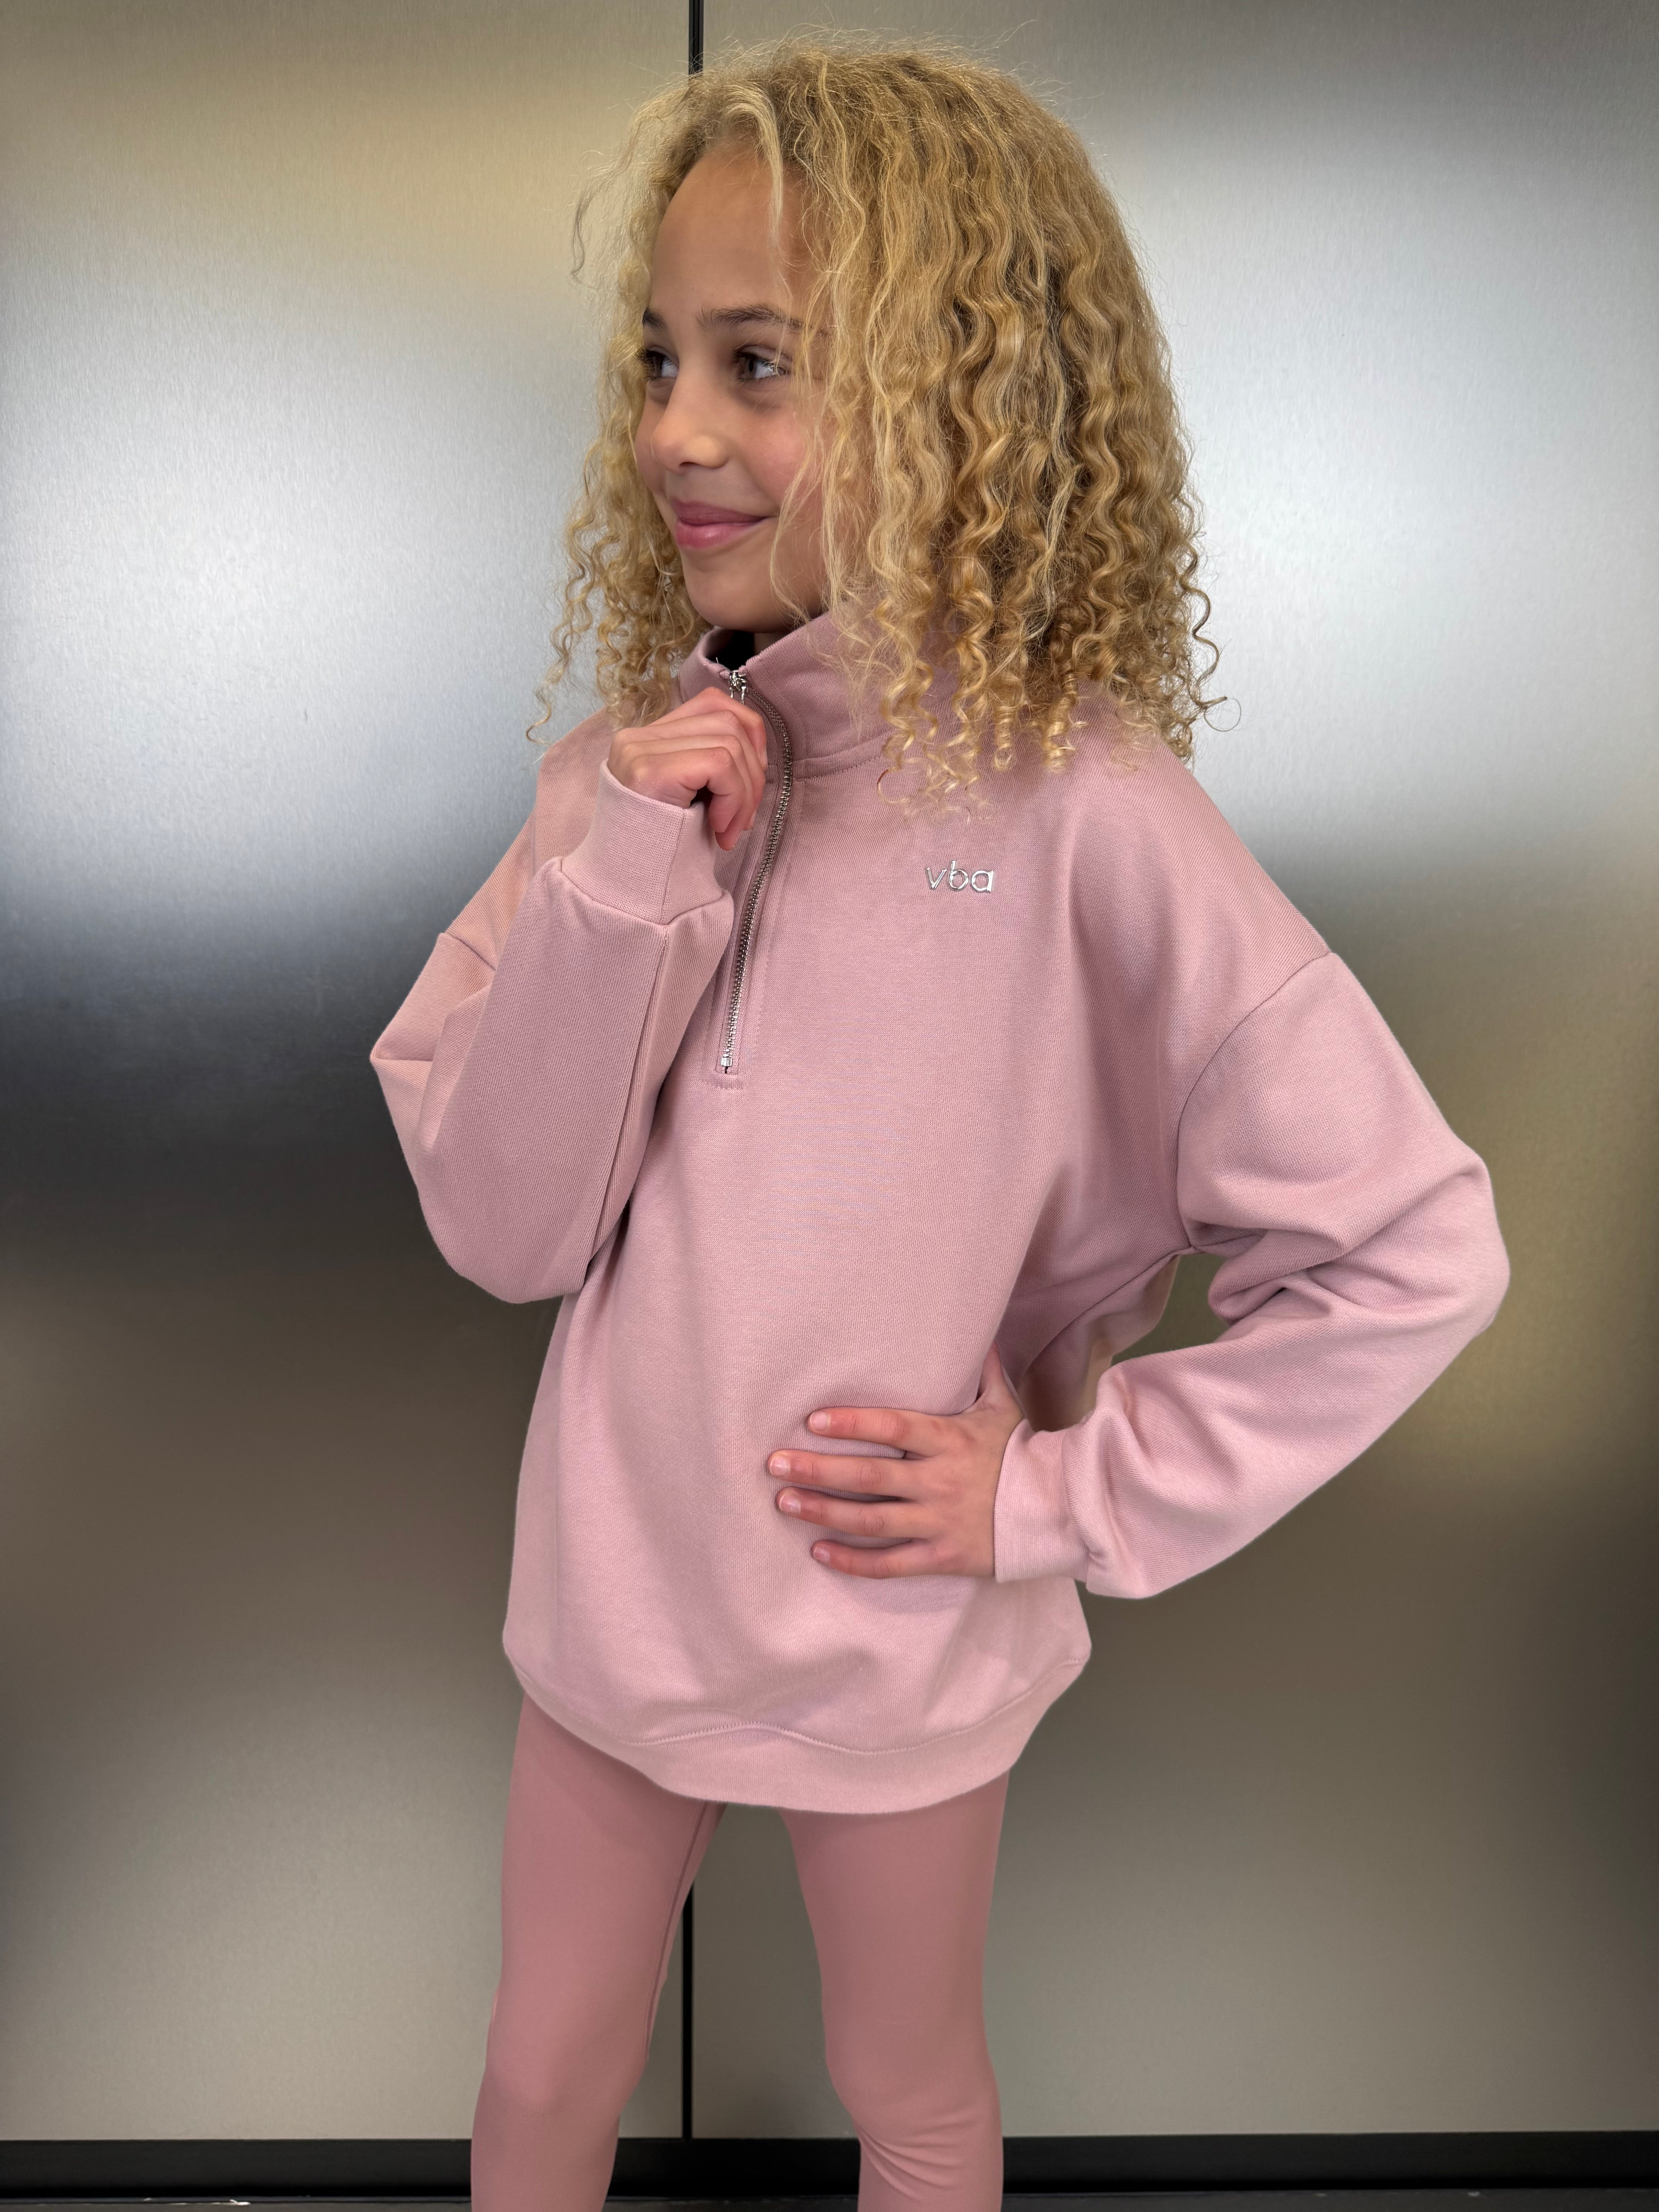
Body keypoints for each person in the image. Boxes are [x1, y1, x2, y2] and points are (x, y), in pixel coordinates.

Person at [369, 37, 1509, 2212]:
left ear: (963, 395)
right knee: (538, 2080)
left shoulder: (1093, 821)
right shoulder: (618, 789)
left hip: (896, 1623)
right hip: (616, 1612)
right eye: (661, 356)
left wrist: (1061, 1491)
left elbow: (1414, 1247)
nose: (675, 429)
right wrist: (632, 875)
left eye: (761, 361)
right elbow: (507, 1232)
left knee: (911, 2091)